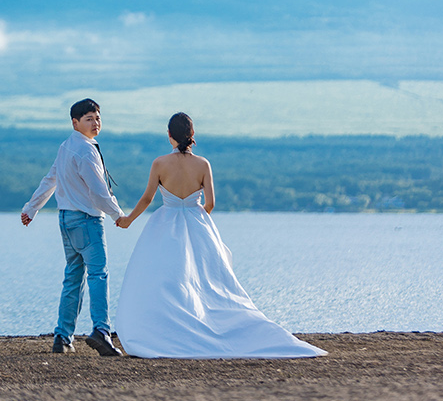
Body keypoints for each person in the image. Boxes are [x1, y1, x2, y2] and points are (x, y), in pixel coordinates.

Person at [111, 113, 325, 358]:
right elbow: (211, 203)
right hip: (198, 222)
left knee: (165, 279)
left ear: (169, 135)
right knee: (205, 280)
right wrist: (196, 217)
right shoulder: (203, 164)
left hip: (165, 224)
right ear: (193, 136)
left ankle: (169, 327)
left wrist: (128, 220)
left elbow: (148, 198)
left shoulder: (159, 163)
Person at [21, 98, 125, 357]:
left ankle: (62, 336)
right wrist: (118, 215)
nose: (96, 123)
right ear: (75, 122)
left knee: (73, 278)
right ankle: (101, 331)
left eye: (98, 118)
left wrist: (31, 208)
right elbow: (99, 192)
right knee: (98, 275)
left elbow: (50, 180)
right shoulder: (86, 151)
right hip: (88, 220)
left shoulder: (66, 146)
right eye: (89, 119)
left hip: (66, 220)